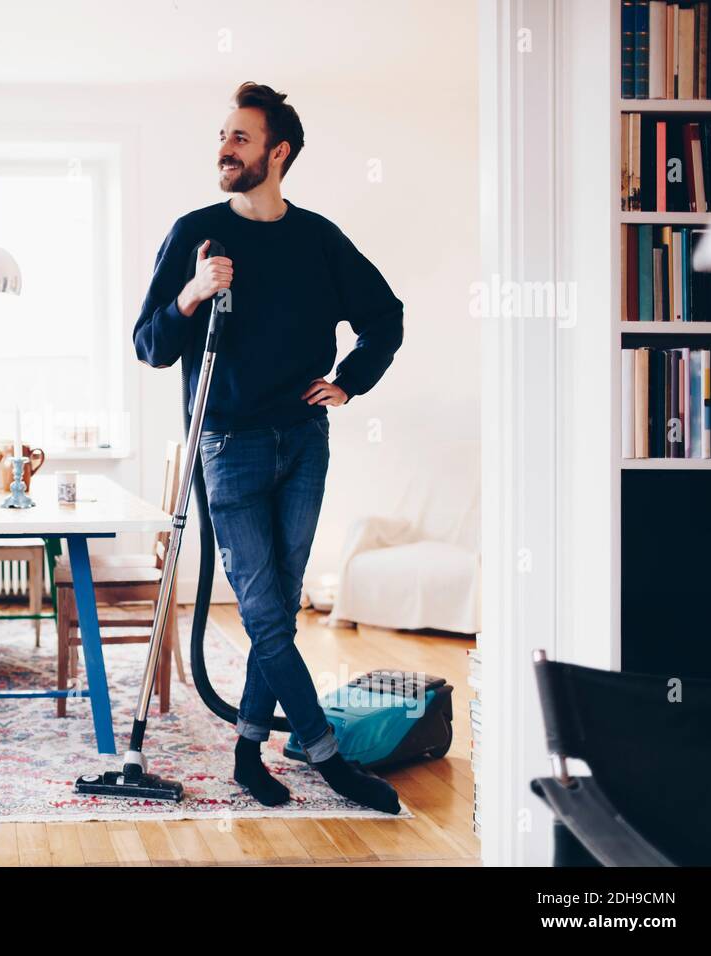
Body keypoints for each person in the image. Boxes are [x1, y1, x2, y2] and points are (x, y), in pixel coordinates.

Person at [132, 81, 404, 812]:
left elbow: (386, 317)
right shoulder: (198, 233)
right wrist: (191, 293)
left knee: (277, 604)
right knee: (264, 611)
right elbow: (150, 346)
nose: (225, 148)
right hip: (228, 446)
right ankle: (326, 756)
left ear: (278, 152)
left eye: (241, 138)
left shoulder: (318, 239)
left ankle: (249, 753)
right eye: (223, 136)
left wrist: (349, 382)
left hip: (303, 442)